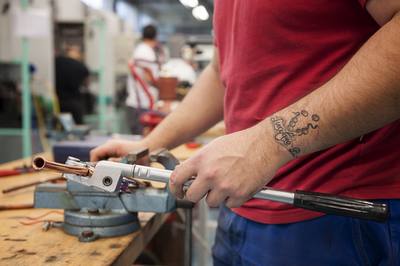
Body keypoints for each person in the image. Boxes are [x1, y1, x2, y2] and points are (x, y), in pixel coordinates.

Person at [91, 1, 400, 264]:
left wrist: (268, 144)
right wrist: (148, 146)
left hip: (335, 212)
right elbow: (220, 73)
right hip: (241, 206)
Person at [126, 24, 164, 134]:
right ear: (156, 36)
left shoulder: (141, 49)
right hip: (141, 105)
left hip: (140, 104)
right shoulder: (146, 52)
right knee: (143, 144)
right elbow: (149, 78)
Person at [55, 45, 90, 124]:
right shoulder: (81, 66)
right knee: (77, 127)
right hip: (74, 102)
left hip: (57, 101)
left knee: (60, 127)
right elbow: (86, 83)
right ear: (77, 53)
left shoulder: (56, 62)